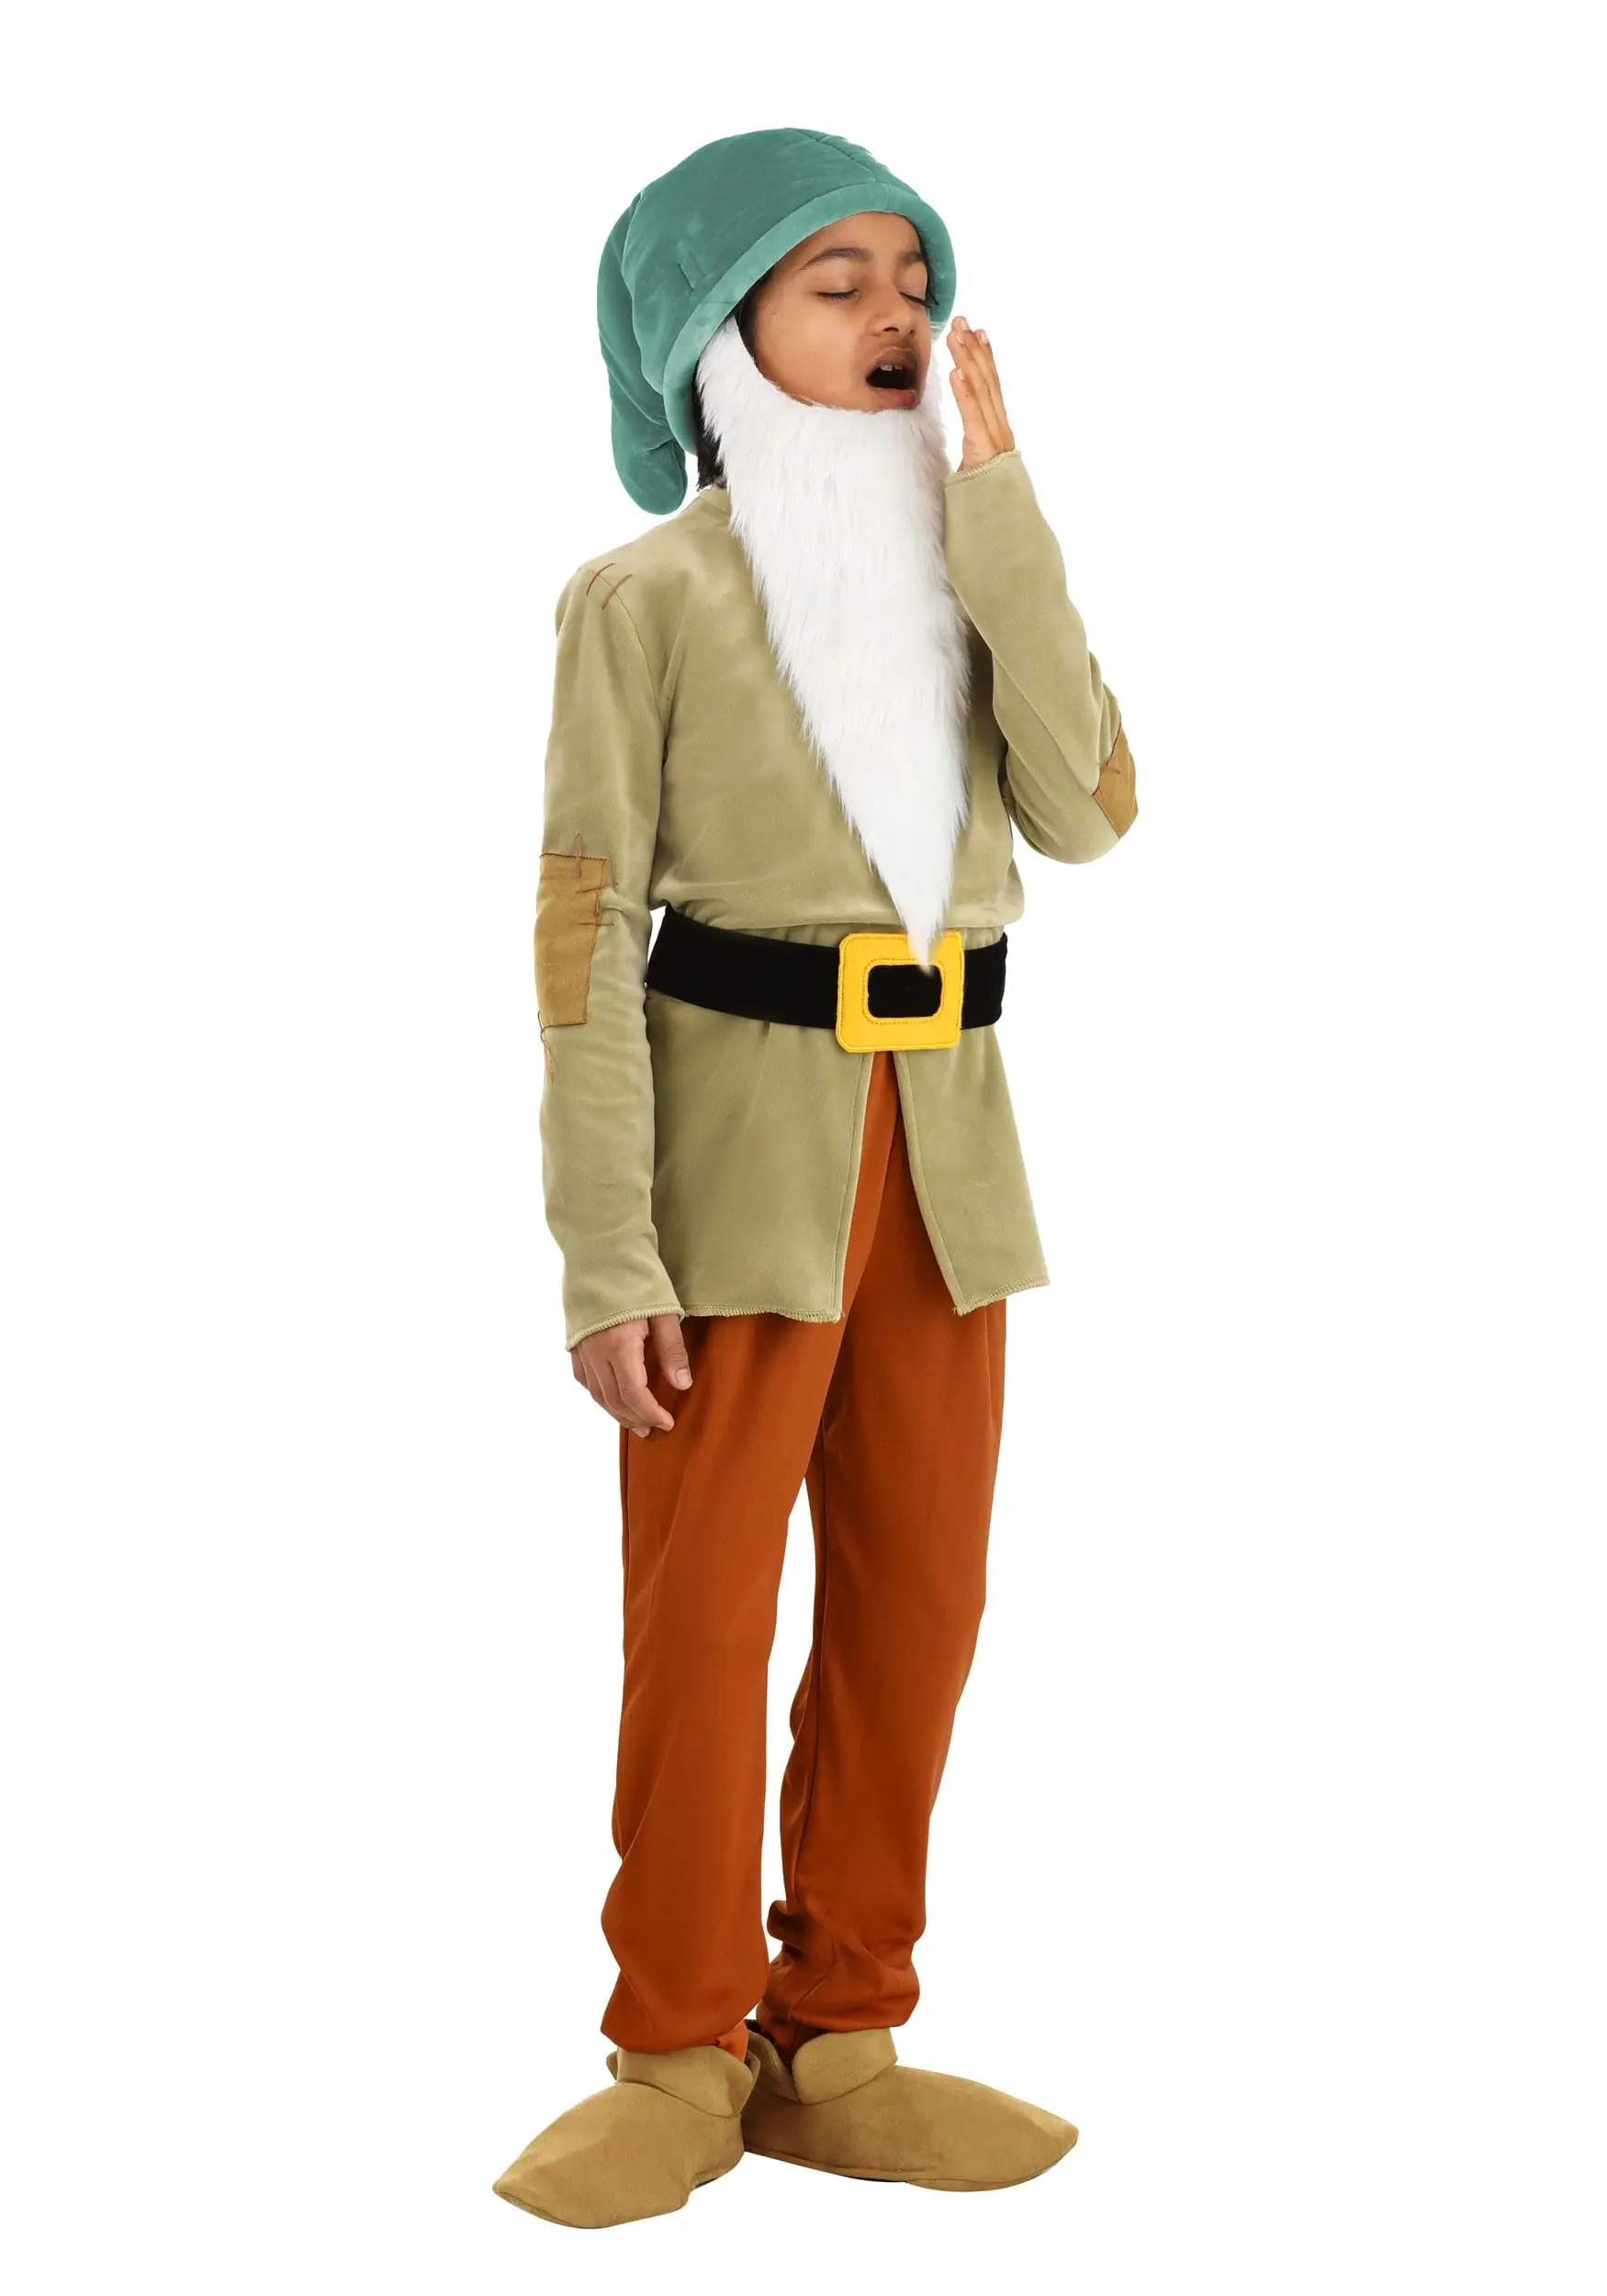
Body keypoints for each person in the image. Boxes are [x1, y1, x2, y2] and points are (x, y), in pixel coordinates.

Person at [493, 127, 1138, 2231]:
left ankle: (838, 2028)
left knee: (916, 1599)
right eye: (833, 282)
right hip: (735, 1164)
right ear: (720, 333)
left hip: (946, 1158)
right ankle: (677, 2047)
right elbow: (583, 929)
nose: (892, 320)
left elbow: (1092, 807)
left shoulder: (968, 571)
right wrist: (605, 1252)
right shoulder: (641, 601)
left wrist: (1003, 519)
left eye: (908, 279)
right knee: (701, 1615)